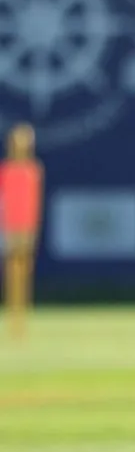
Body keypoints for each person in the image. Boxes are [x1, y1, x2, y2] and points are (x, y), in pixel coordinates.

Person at [0, 123, 45, 341]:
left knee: (24, 271)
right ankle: (12, 313)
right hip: (9, 226)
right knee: (11, 271)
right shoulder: (5, 170)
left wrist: (33, 228)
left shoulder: (34, 170)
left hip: (26, 227)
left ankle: (22, 315)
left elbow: (34, 202)